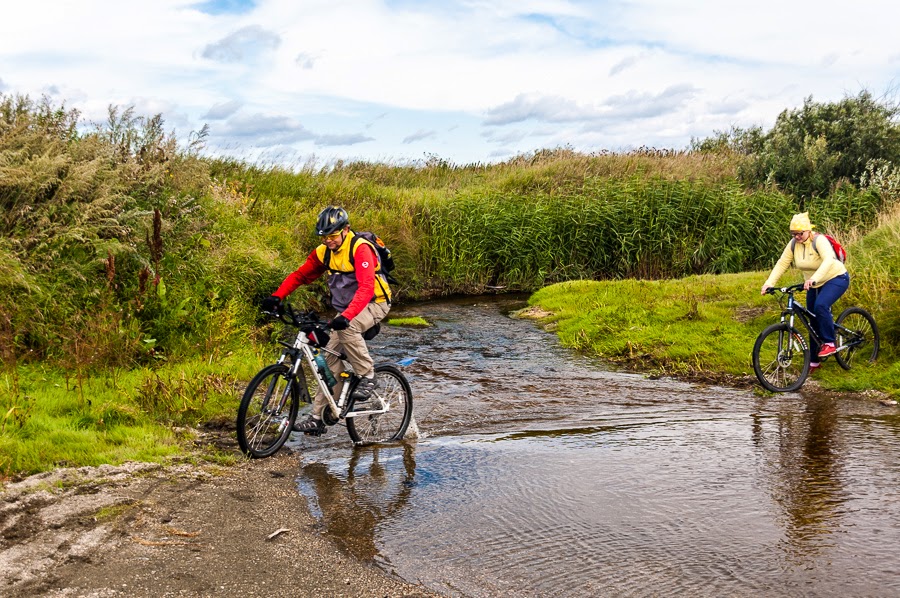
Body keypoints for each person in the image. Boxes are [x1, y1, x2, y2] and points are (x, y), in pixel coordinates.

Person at [261, 206, 392, 435]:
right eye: (324, 236)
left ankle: (368, 376)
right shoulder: (324, 252)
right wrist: (277, 296)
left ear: (345, 230)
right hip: (346, 309)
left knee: (347, 328)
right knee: (328, 361)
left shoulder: (360, 249)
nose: (328, 241)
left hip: (375, 303)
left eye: (332, 236)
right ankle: (320, 416)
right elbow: (301, 275)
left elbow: (366, 288)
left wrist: (347, 317)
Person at [760, 212, 849, 370]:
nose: (797, 237)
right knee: (812, 320)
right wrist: (768, 283)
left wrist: (814, 278)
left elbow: (829, 260)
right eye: (794, 234)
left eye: (800, 233)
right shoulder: (794, 244)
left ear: (808, 230)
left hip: (836, 278)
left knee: (821, 306)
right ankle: (814, 361)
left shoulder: (819, 240)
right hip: (814, 284)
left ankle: (829, 343)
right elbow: (782, 263)